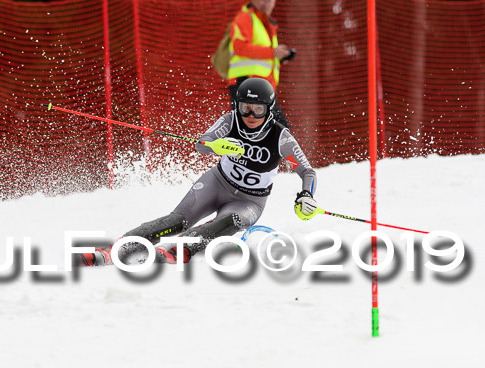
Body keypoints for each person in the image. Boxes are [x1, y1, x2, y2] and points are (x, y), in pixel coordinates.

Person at [79, 77, 318, 267]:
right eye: (245, 108)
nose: (251, 116)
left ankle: (180, 248)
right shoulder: (231, 120)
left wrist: (306, 195)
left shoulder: (280, 137)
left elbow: (307, 171)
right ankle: (117, 248)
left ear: (269, 109)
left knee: (229, 222)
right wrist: (216, 145)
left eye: (258, 109)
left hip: (249, 201)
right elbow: (202, 144)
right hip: (217, 183)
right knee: (176, 220)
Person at [228, 0, 293, 129]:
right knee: (274, 129)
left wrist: (279, 57)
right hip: (247, 83)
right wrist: (273, 52)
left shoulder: (265, 23)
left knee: (275, 129)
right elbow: (239, 48)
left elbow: (263, 56)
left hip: (262, 85)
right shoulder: (246, 18)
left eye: (270, 1)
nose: (267, 4)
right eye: (263, 0)